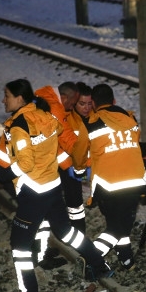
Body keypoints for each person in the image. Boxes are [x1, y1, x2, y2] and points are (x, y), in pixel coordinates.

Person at [0, 79, 111, 292]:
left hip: (34, 192)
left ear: (20, 99)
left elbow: (26, 163)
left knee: (20, 247)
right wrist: (65, 163)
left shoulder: (19, 127)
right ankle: (99, 264)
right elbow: (57, 137)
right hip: (53, 186)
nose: (3, 100)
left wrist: (0, 174)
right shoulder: (46, 115)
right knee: (66, 232)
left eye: (7, 95)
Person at [76, 83, 146, 271]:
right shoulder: (131, 120)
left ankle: (91, 255)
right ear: (114, 101)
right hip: (134, 181)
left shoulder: (90, 124)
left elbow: (80, 153)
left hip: (108, 184)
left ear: (93, 104)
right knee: (119, 224)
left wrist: (78, 168)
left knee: (116, 227)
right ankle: (127, 260)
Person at [60, 82, 93, 233]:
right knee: (73, 202)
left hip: (89, 167)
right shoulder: (66, 119)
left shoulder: (95, 118)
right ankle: (77, 231)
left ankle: (79, 232)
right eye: (82, 104)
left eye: (89, 104)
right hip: (68, 168)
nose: (86, 108)